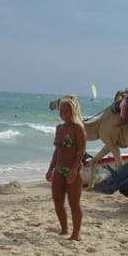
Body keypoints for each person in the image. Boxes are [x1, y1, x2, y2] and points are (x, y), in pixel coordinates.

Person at [46, 97, 87, 241]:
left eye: (67, 111)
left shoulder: (78, 128)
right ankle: (64, 229)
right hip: (59, 169)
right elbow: (57, 151)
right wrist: (50, 169)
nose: (64, 113)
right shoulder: (59, 128)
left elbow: (81, 150)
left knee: (74, 203)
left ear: (73, 111)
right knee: (57, 200)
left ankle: (76, 234)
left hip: (73, 170)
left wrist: (74, 170)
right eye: (62, 111)